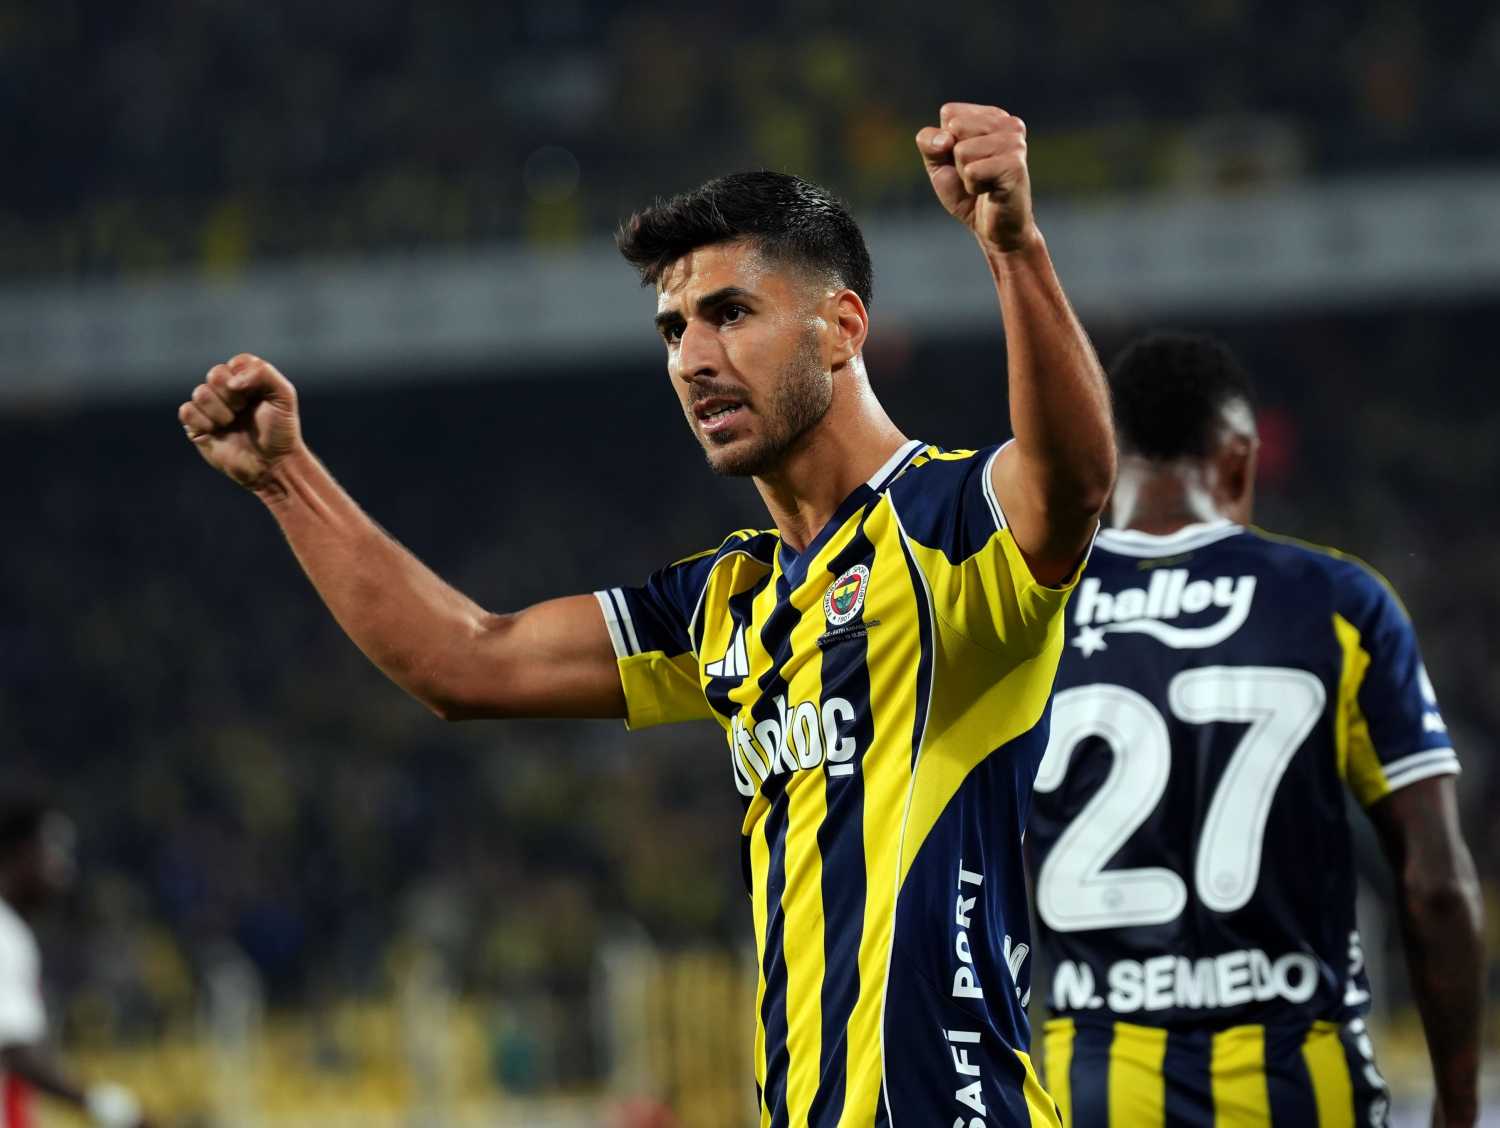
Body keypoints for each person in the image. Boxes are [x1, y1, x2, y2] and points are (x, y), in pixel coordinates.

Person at [178, 103, 1116, 1125]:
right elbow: (465, 661)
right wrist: (286, 479)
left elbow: (1073, 480)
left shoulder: (948, 526)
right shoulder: (724, 599)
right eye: (674, 329)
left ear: (843, 328)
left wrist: (1012, 245)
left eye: (731, 313)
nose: (692, 358)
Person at [1026, 332, 1484, 1127]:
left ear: (1112, 457)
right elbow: (1436, 887)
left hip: (1096, 1088)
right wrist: (1458, 1101)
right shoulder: (1339, 601)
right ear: (1238, 459)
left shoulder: (1033, 617)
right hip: (1300, 1083)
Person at [0, 797, 149, 1128]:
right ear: (21, 852)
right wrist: (104, 1106)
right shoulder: (4, 935)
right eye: (55, 851)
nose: (65, 869)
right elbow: (14, 1048)